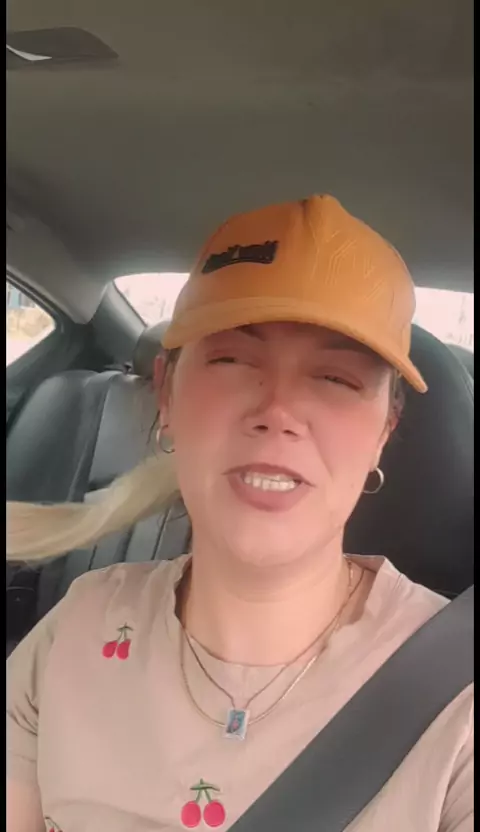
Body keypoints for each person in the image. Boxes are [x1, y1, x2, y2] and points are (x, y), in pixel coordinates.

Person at [7, 195, 473, 832]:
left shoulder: (458, 698)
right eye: (231, 359)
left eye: (336, 379)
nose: (277, 412)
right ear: (167, 393)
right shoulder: (76, 631)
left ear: (384, 432)